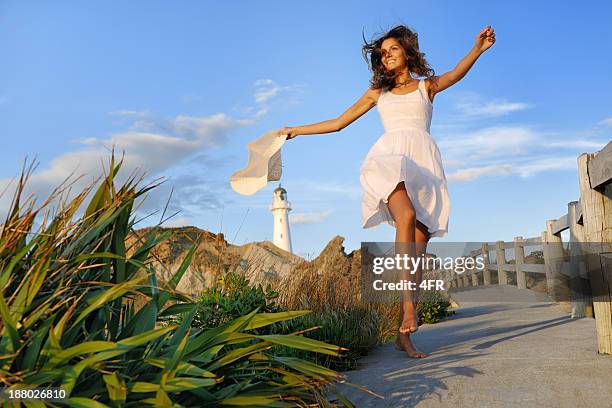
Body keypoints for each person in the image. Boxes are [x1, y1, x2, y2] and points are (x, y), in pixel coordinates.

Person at [278, 24, 496, 358]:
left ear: (407, 52)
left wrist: (477, 50)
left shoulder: (426, 88)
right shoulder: (377, 94)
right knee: (405, 215)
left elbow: (454, 74)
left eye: (393, 49)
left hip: (424, 168)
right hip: (388, 160)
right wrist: (297, 130)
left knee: (418, 252)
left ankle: (402, 336)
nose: (387, 55)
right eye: (382, 53)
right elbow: (338, 122)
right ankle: (410, 309)